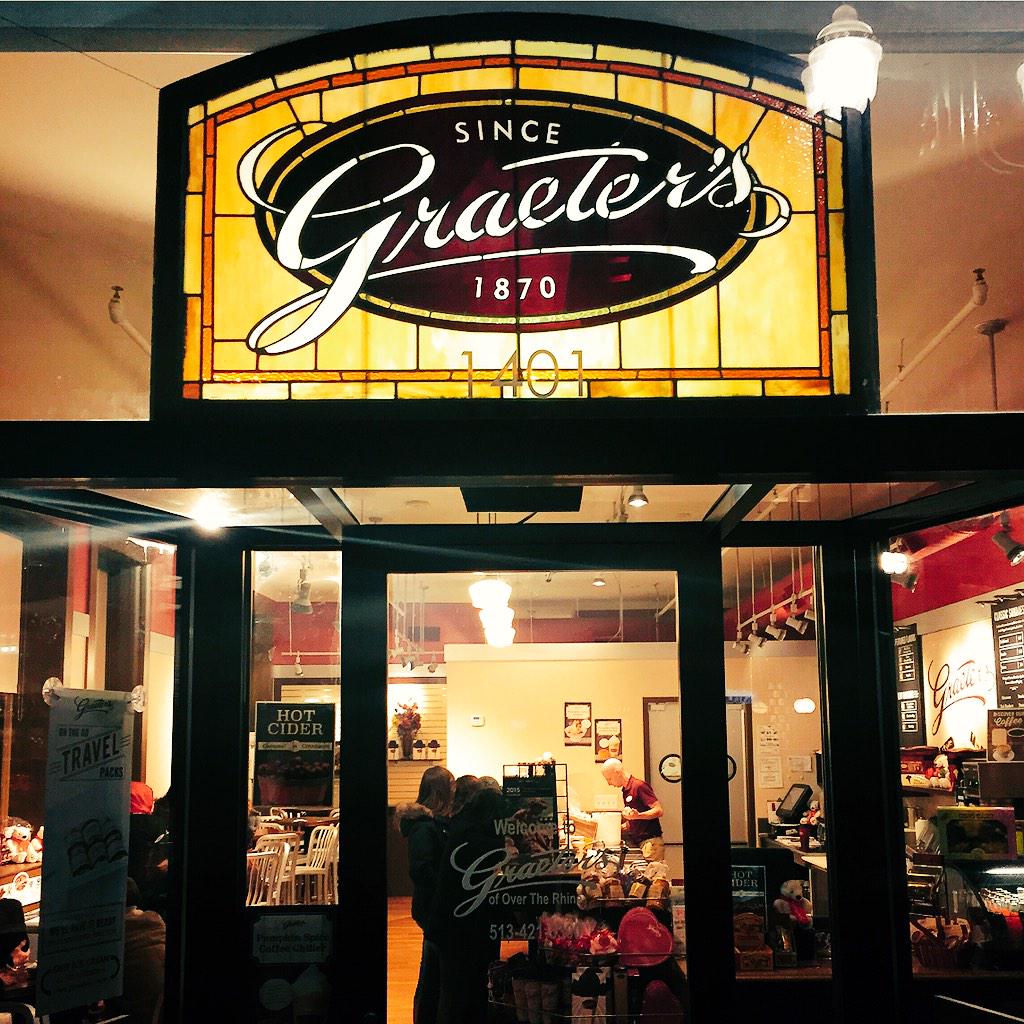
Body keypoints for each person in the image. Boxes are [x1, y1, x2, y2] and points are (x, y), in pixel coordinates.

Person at [428, 784, 506, 1024]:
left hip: (451, 924)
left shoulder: (463, 827)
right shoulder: (475, 837)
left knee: (455, 991)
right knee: (459, 992)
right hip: (460, 927)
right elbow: (496, 857)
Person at [396, 766, 454, 1024]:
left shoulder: (428, 824)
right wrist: (445, 889)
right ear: (440, 791)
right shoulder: (425, 827)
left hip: (431, 906)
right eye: (451, 785)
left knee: (432, 968)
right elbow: (421, 870)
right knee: (431, 971)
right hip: (433, 906)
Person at [600, 758, 665, 861]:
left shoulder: (639, 786)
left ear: (617, 772)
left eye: (609, 779)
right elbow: (635, 818)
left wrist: (638, 816)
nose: (609, 783)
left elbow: (658, 811)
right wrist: (619, 827)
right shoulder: (626, 790)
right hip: (641, 842)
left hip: (651, 842)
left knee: (655, 871)